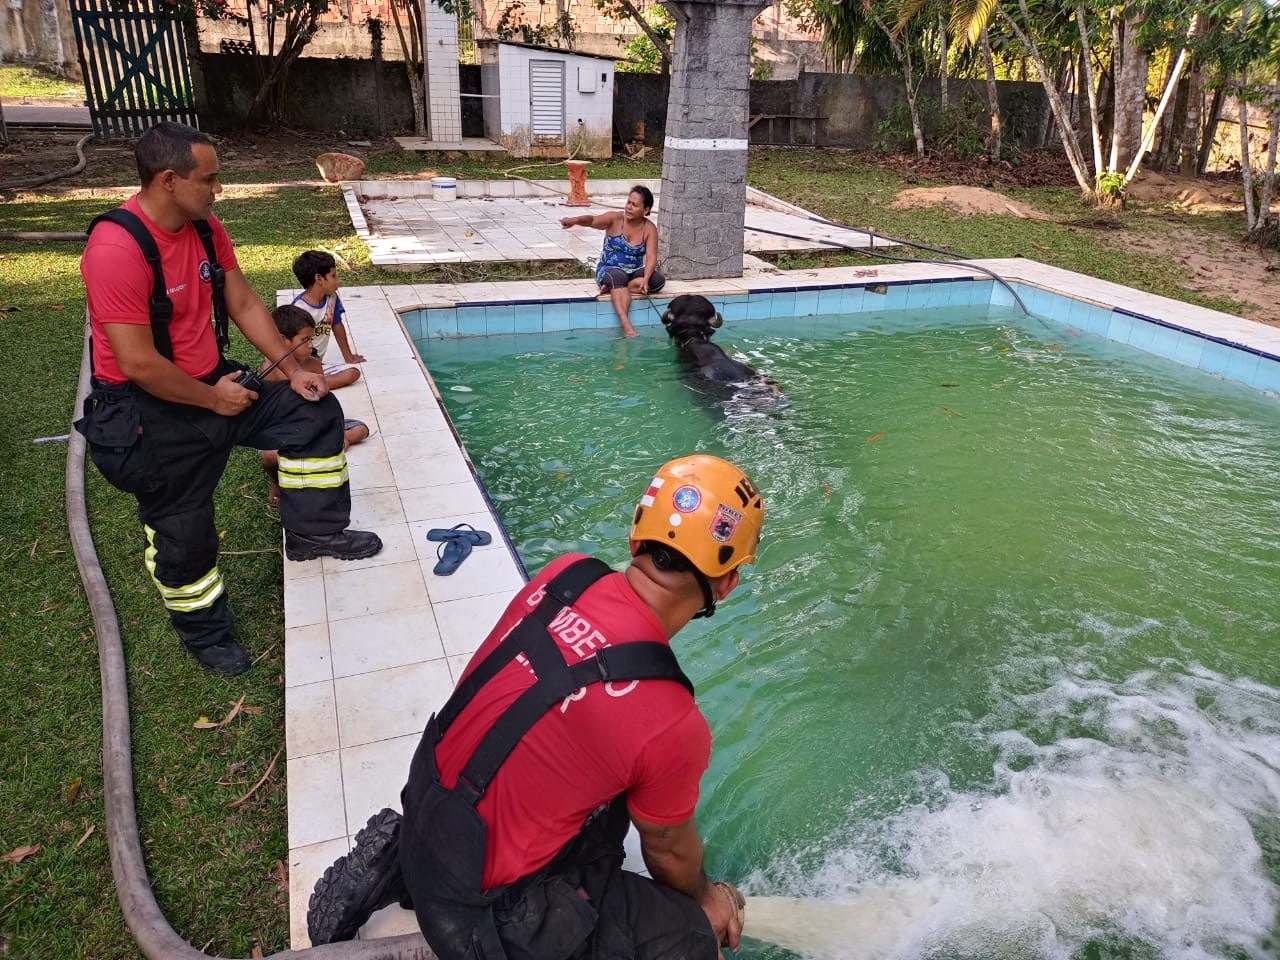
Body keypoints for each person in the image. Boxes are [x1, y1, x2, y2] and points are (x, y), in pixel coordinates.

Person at [307, 453, 765, 960]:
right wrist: (706, 899)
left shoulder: (567, 575)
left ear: (636, 538)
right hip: (479, 910)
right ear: (727, 582)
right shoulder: (670, 719)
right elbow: (668, 851)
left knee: (598, 785)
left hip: (427, 801)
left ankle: (396, 860)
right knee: (690, 936)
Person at [75, 121, 382, 678]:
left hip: (217, 381)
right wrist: (212, 401)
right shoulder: (116, 248)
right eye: (209, 180)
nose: (217, 191)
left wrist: (290, 370)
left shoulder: (205, 228)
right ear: (169, 180)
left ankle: (313, 532)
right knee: (184, 533)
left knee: (312, 410)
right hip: (153, 410)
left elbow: (240, 300)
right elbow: (138, 362)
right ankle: (206, 633)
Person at [259, 305, 371, 509]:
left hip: (313, 426)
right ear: (283, 340)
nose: (311, 345)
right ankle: (276, 483)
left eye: (311, 338)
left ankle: (342, 439)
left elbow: (321, 402)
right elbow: (269, 414)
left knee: (361, 429)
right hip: (283, 430)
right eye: (305, 340)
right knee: (268, 455)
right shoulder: (270, 370)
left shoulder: (313, 364)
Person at [561, 186, 665, 337]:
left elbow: (651, 256)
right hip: (609, 269)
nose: (629, 207)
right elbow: (592, 220)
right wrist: (575, 220)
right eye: (628, 202)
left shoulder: (649, 228)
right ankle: (625, 323)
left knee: (658, 281)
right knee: (618, 277)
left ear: (646, 210)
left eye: (634, 205)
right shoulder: (615, 219)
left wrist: (646, 279)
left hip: (633, 272)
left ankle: (618, 288)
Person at [291, 249, 366, 388]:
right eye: (333, 276)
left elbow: (337, 325)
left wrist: (348, 357)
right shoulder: (299, 308)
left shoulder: (332, 298)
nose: (338, 281)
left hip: (317, 365)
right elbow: (290, 344)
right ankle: (306, 382)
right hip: (298, 366)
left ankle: (312, 383)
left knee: (353, 373)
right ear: (319, 279)